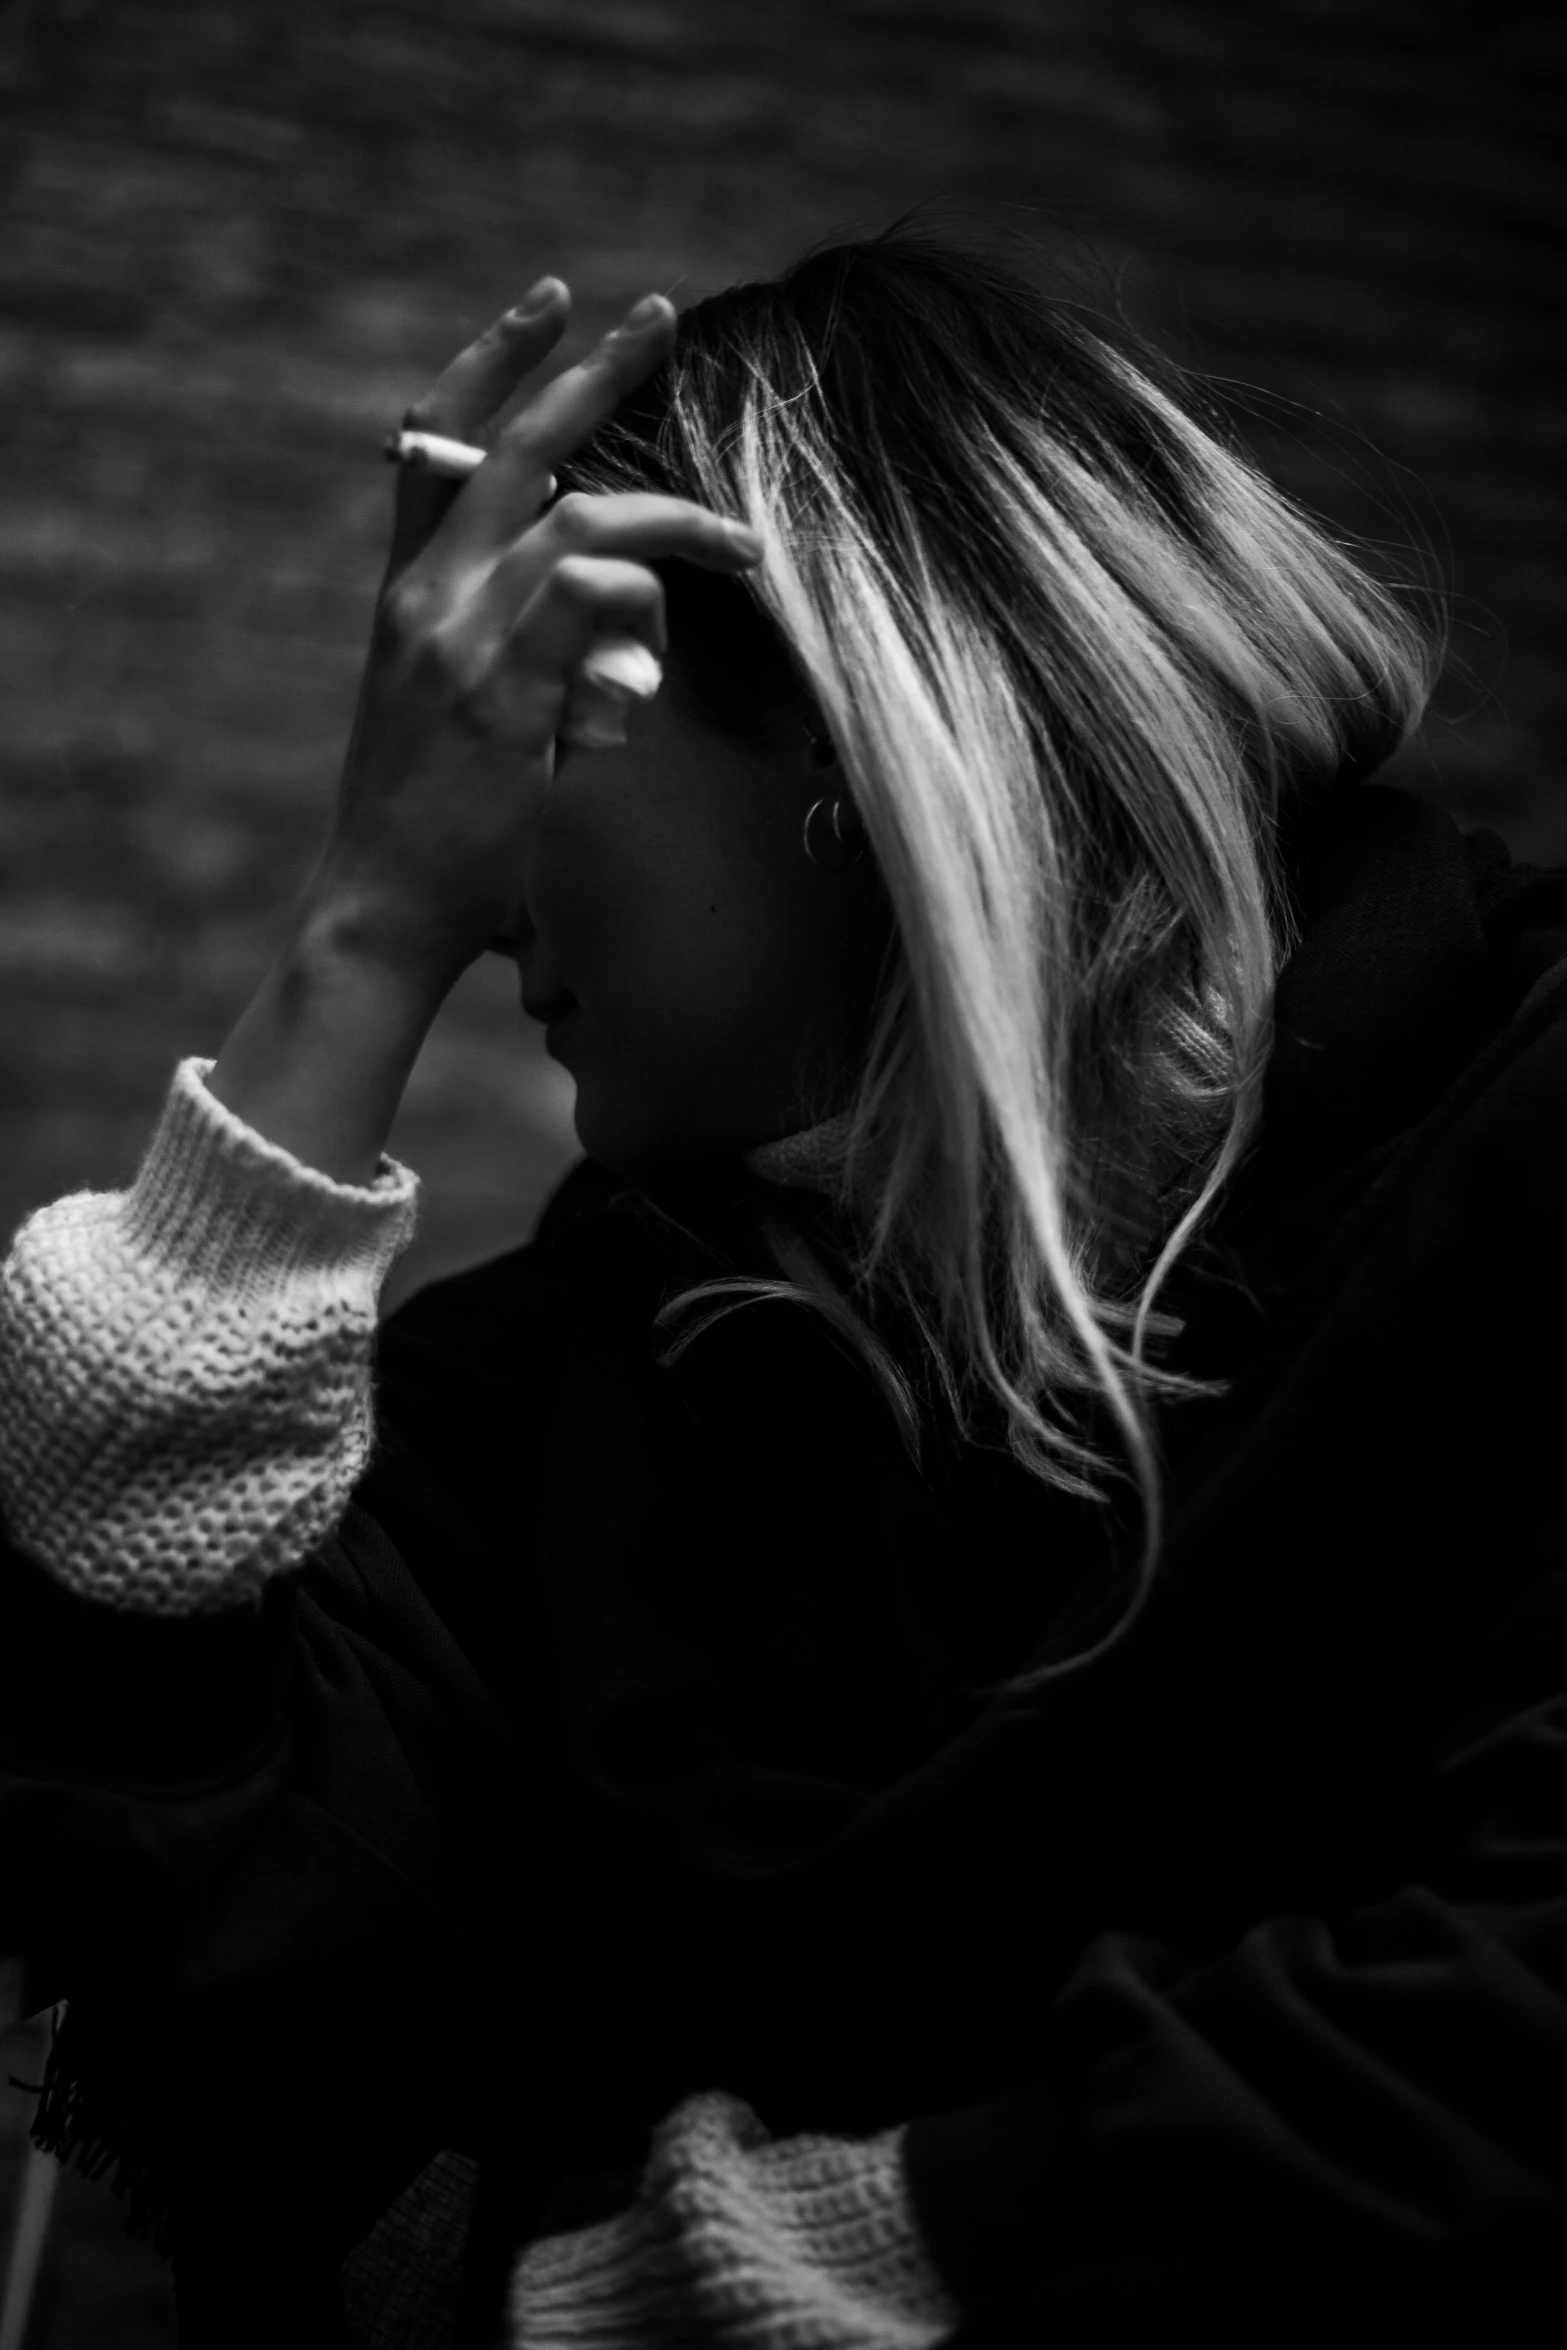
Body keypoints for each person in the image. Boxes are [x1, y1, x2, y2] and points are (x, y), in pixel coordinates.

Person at [1, 221, 1565, 2349]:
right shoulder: (626, 1349)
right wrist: (353, 936)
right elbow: (197, 1857)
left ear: (852, 728)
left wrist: (849, 2251)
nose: (474, 874)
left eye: (525, 745)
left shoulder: (1512, 1146)